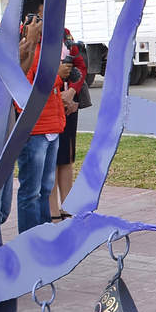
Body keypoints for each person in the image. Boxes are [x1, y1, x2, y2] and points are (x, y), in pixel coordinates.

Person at [15, 0, 77, 235]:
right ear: (30, 19)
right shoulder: (24, 46)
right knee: (31, 191)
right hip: (35, 129)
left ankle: (42, 235)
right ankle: (30, 240)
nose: (47, 23)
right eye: (42, 17)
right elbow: (24, 85)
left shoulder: (50, 46)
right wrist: (56, 76)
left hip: (53, 125)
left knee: (45, 187)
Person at [50, 25, 87, 221]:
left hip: (68, 106)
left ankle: (68, 206)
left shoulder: (64, 33)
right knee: (50, 160)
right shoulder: (28, 34)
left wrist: (72, 92)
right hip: (47, 108)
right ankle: (52, 211)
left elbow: (80, 65)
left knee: (66, 157)